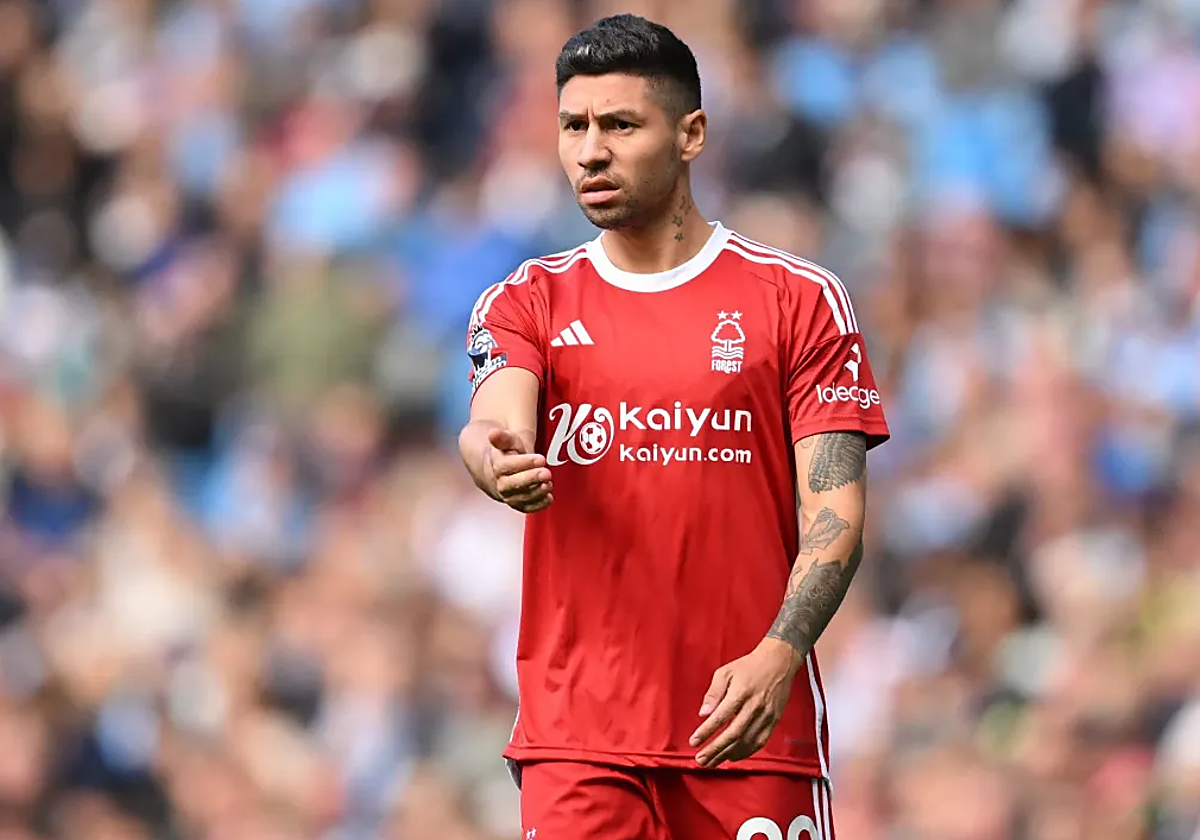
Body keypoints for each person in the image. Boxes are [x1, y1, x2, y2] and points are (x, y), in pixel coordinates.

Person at [458, 13, 889, 840]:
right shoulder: (527, 301)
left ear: (690, 134)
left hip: (746, 731)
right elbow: (494, 422)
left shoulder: (797, 300)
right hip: (579, 743)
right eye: (574, 127)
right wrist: (491, 455)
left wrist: (779, 655)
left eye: (621, 125)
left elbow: (835, 515)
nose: (590, 152)